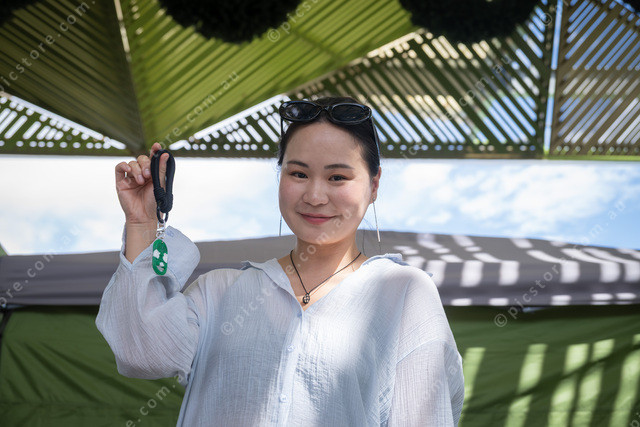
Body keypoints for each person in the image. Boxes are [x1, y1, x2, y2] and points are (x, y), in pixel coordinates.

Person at [96, 95, 465, 426]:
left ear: (374, 185)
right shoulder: (219, 292)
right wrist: (142, 223)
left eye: (338, 177)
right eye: (298, 173)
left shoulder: (404, 293)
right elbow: (141, 354)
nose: (315, 196)